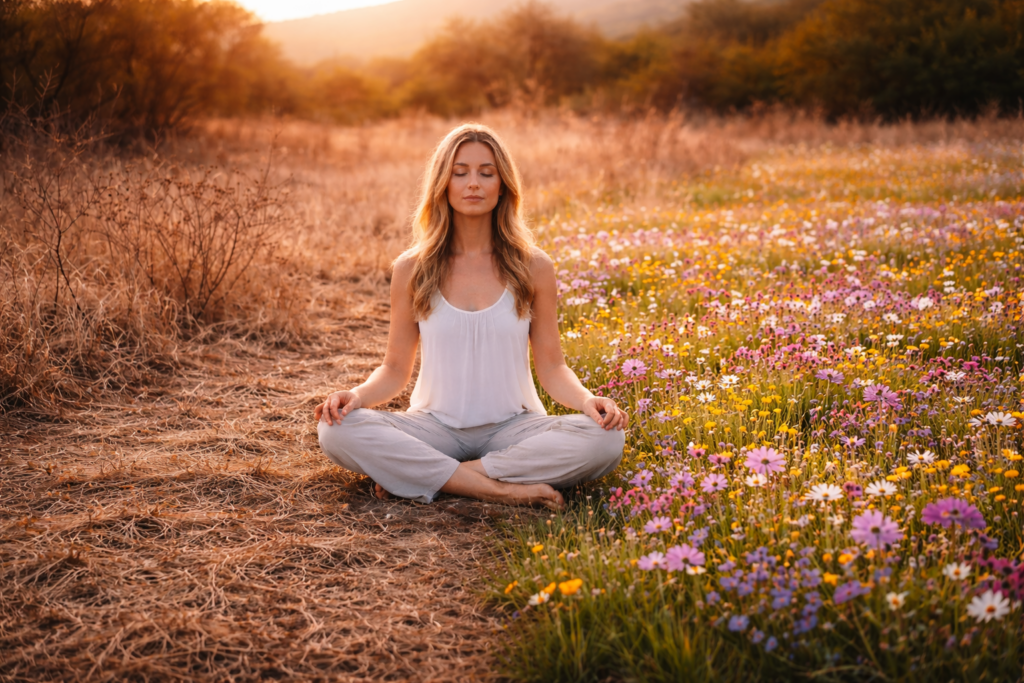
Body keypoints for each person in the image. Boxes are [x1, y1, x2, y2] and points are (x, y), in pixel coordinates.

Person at [315, 123, 626, 510]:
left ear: (503, 186)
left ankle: (440, 475)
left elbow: (553, 367)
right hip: (433, 426)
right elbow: (395, 369)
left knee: (606, 439)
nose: (473, 183)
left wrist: (586, 400)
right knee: (336, 430)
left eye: (486, 172)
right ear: (443, 184)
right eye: (460, 172)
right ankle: (496, 487)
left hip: (514, 426)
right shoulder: (413, 268)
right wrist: (357, 396)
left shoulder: (534, 267)